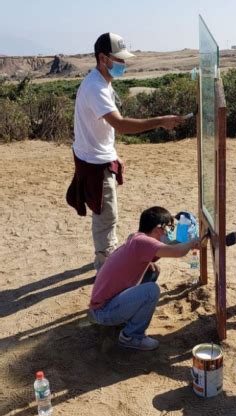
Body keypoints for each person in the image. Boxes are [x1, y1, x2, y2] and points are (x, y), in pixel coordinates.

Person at [66, 32, 184, 272]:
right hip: (95, 163)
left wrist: (113, 153)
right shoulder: (96, 88)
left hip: (98, 156)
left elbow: (104, 128)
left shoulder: (101, 83)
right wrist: (160, 121)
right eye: (118, 59)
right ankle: (105, 267)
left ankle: (105, 258)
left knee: (106, 215)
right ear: (102, 58)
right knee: (106, 217)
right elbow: (120, 124)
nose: (123, 64)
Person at [89, 206, 199, 351]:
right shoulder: (144, 243)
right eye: (169, 228)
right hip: (104, 312)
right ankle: (131, 336)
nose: (169, 233)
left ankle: (128, 316)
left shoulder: (136, 238)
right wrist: (193, 243)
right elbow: (177, 251)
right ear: (159, 228)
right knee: (151, 291)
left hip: (104, 305)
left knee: (153, 271)